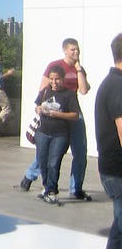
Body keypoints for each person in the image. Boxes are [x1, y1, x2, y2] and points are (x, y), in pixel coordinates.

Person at [20, 38, 92, 200]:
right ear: (65, 50)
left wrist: (79, 69)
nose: (76, 52)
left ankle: (76, 188)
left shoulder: (78, 69)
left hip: (73, 113)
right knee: (47, 152)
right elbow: (43, 90)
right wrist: (44, 108)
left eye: (78, 49)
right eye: (73, 49)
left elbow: (84, 90)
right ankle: (30, 176)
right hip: (54, 115)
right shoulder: (55, 66)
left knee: (80, 152)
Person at [95, 33, 122, 249]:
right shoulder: (118, 86)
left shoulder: (111, 82)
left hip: (111, 170)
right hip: (118, 172)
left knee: (118, 232)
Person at [34, 64, 80, 205]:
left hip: (60, 134)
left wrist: (57, 114)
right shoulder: (45, 91)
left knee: (53, 163)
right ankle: (47, 186)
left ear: (63, 79)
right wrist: (39, 109)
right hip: (42, 132)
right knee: (42, 162)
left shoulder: (69, 94)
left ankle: (51, 190)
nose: (54, 82)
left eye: (57, 79)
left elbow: (75, 115)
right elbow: (36, 106)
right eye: (52, 79)